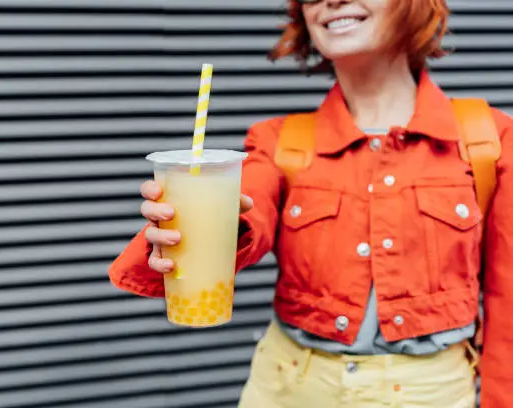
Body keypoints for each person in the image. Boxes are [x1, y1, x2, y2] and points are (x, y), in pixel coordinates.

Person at [109, 0, 513, 406]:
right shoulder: (278, 141)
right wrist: (194, 230)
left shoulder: (488, 140)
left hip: (430, 392)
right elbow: (251, 209)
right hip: (287, 386)